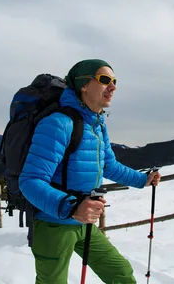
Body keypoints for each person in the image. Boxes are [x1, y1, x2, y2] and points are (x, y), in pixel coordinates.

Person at [19, 59, 162, 284]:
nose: (113, 87)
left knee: (121, 273)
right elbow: (30, 180)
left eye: (114, 81)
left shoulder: (96, 125)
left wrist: (143, 179)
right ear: (84, 85)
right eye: (105, 80)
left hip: (83, 224)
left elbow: (109, 166)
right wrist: (72, 207)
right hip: (53, 225)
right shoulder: (58, 123)